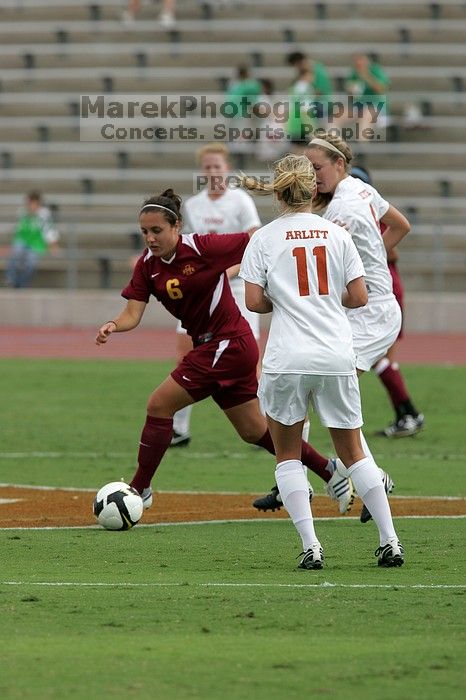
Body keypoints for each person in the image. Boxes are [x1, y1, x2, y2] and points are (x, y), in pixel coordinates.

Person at [95, 189, 354, 531]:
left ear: (177, 227)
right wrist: (115, 325)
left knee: (159, 404)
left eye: (157, 230)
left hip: (227, 344)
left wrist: (286, 256)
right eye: (144, 232)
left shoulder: (202, 247)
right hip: (217, 347)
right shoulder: (147, 265)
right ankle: (329, 471)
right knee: (255, 431)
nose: (150, 238)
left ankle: (140, 488)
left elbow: (255, 239)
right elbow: (133, 312)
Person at [239, 154, 404, 568]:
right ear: (314, 190)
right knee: (354, 453)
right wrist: (327, 299)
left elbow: (254, 301)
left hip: (287, 357)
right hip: (335, 353)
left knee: (288, 455)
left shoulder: (263, 237)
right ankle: (390, 540)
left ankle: (312, 546)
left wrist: (288, 296)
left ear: (277, 193)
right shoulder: (337, 233)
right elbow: (360, 296)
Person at [171, 143, 262, 447]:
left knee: (250, 361)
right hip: (203, 291)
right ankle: (179, 428)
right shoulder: (194, 204)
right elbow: (187, 247)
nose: (212, 172)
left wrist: (229, 272)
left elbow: (255, 242)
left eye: (217, 167)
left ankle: (266, 426)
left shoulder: (240, 200)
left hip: (236, 288)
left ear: (227, 168)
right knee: (186, 353)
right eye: (207, 167)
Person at [351, 165, 424, 437]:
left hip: (382, 290)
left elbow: (392, 254)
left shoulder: (369, 214)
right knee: (383, 360)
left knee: (381, 358)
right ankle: (406, 415)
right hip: (382, 288)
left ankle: (410, 414)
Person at [5, 191, 59, 288]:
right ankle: (11, 278)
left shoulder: (44, 215)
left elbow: (49, 231)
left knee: (31, 263)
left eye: (33, 203)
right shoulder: (22, 212)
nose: (30, 205)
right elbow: (18, 229)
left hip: (36, 244)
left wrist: (53, 244)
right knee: (16, 253)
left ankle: (20, 284)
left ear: (38, 203)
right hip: (22, 241)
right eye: (29, 203)